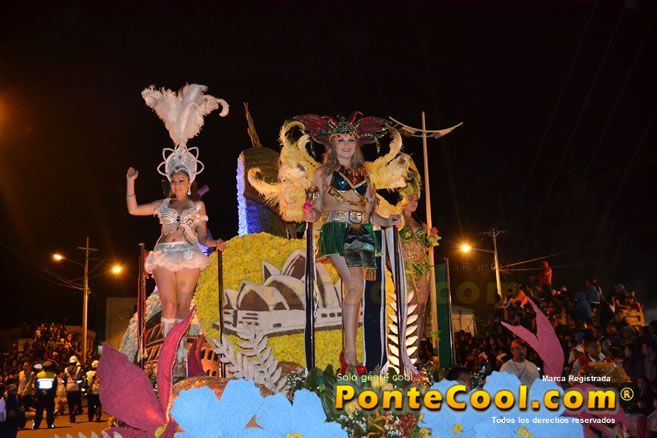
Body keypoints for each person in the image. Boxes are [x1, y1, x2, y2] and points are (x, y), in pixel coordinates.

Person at [128, 84, 228, 377]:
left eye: (182, 180)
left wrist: (215, 243)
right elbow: (133, 210)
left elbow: (202, 237)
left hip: (189, 254)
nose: (178, 184)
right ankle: (167, 355)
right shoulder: (162, 204)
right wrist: (130, 181)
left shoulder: (198, 206)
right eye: (174, 180)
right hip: (164, 253)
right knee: (169, 304)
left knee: (183, 306)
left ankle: (180, 356)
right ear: (170, 182)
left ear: (190, 181)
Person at [300, 113, 400, 372]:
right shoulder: (322, 174)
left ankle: (350, 355)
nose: (346, 144)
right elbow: (316, 208)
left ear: (357, 144)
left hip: (361, 231)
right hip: (336, 229)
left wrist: (387, 220)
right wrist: (310, 212)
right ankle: (350, 354)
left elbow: (369, 213)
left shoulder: (364, 174)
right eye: (341, 139)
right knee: (354, 285)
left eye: (350, 140)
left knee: (356, 289)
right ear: (332, 144)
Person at [398, 191, 440, 346]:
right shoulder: (396, 218)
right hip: (406, 268)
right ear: (403, 199)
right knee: (411, 308)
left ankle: (415, 351)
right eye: (411, 199)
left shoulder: (420, 223)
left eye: (416, 200)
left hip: (422, 268)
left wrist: (431, 240)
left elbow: (425, 246)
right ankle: (403, 347)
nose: (414, 203)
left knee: (421, 310)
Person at [32, 361, 57, 430]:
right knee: (50, 411)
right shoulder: (54, 375)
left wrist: (40, 392)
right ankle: (50, 424)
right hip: (49, 396)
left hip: (41, 395)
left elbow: (36, 386)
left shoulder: (38, 375)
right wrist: (52, 394)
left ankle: (36, 425)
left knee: (39, 412)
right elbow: (54, 387)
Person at [64, 355, 83, 422]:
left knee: (70, 403)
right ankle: (74, 412)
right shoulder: (79, 369)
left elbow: (64, 379)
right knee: (76, 402)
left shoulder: (66, 369)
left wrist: (65, 385)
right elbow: (80, 378)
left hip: (68, 388)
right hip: (76, 387)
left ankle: (71, 418)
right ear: (75, 362)